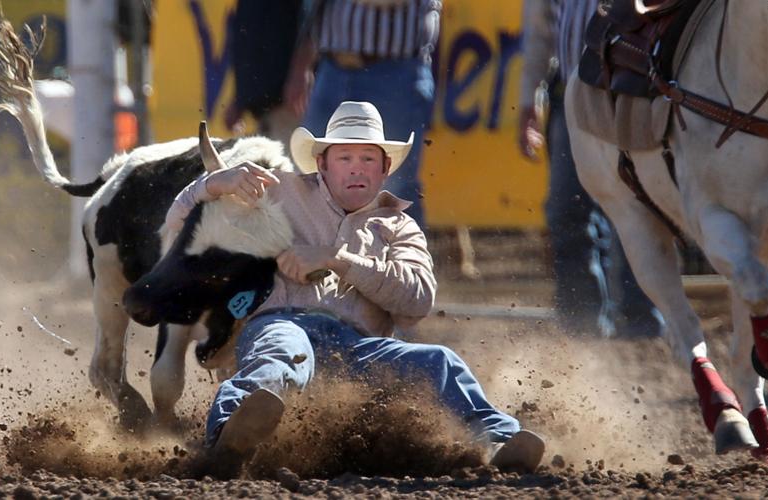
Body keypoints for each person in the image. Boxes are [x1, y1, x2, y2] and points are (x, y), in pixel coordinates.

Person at [166, 101, 546, 472]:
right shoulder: (277, 193)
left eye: (367, 160)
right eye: (345, 158)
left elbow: (417, 300)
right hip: (280, 322)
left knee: (441, 362)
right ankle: (228, 436)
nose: (356, 170)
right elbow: (178, 233)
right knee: (283, 349)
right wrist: (212, 184)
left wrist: (336, 259)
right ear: (322, 164)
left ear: (384, 170)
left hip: (360, 350)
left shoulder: (399, 227)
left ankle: (496, 443)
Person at [519, 0, 664, 338]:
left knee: (640, 208)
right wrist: (528, 101)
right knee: (568, 212)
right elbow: (540, 32)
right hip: (571, 97)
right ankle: (580, 327)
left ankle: (643, 322)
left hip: (633, 95)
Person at [283, 0, 441, 229]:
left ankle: (406, 261)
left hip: (393, 71)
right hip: (332, 68)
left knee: (393, 188)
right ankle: (322, 260)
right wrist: (302, 63)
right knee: (312, 181)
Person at [222, 0, 303, 149]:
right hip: (262, 105)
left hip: (285, 98)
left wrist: (300, 73)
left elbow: (311, 27)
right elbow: (248, 37)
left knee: (288, 165)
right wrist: (239, 98)